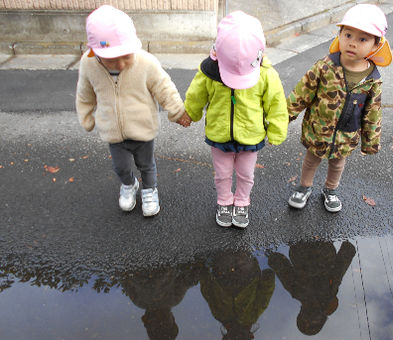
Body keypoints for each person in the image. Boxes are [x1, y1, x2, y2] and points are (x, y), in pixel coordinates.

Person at [76, 5, 190, 217]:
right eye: (112, 59)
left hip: (143, 128)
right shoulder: (89, 63)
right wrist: (86, 116)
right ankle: (129, 184)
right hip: (113, 131)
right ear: (96, 53)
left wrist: (177, 111)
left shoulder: (146, 62)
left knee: (146, 165)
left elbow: (164, 87)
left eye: (125, 56)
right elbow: (85, 92)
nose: (120, 63)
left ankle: (149, 189)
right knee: (120, 167)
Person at [183, 11, 288, 228]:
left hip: (251, 135)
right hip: (219, 133)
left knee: (246, 174)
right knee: (222, 174)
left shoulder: (266, 73)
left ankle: (241, 201)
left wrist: (277, 130)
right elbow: (196, 94)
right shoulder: (209, 71)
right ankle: (224, 200)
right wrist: (190, 113)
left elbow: (276, 103)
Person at [286, 4, 392, 212]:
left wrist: (370, 142)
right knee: (311, 159)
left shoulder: (372, 79)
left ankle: (330, 190)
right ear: (340, 35)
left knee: (337, 164)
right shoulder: (325, 67)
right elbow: (302, 92)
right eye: (348, 35)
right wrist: (284, 117)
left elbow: (373, 112)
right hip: (318, 129)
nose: (352, 43)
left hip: (347, 133)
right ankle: (304, 187)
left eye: (362, 39)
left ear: (375, 45)